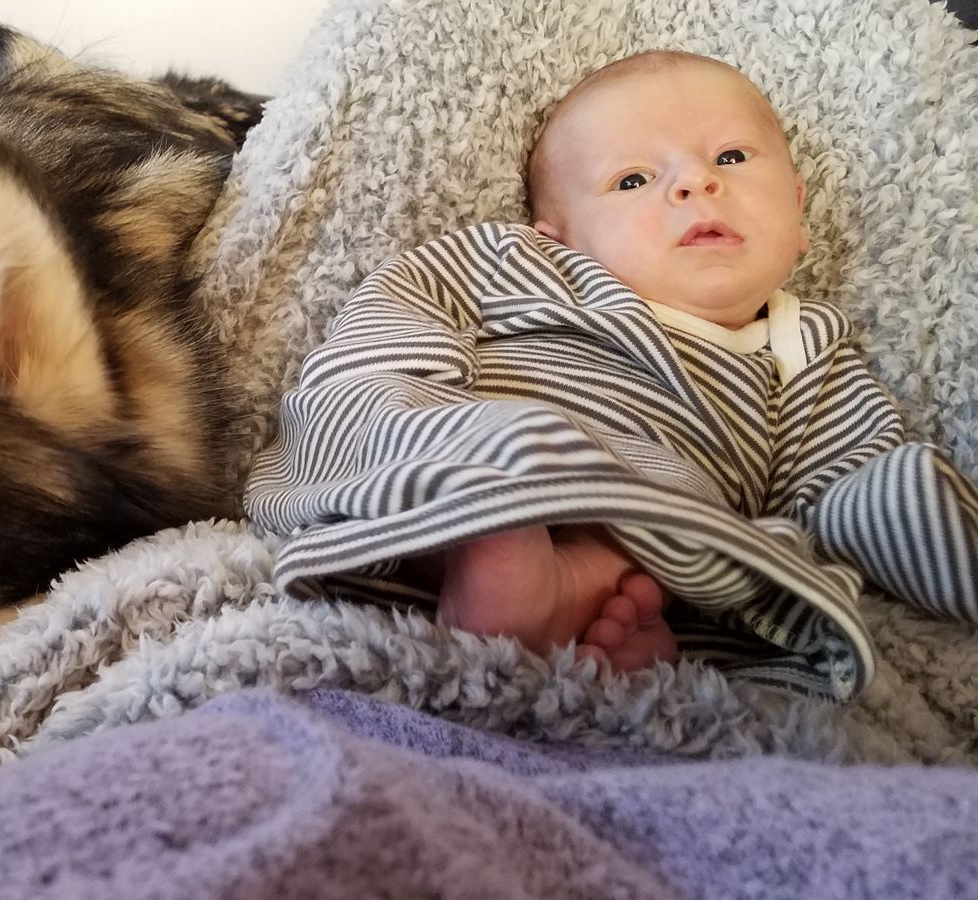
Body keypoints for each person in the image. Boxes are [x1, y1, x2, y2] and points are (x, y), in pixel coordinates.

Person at [245, 50, 978, 699]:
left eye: (731, 157)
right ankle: (486, 546)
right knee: (483, 451)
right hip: (475, 448)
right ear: (559, 237)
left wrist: (921, 511)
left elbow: (837, 485)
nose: (696, 183)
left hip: (649, 511)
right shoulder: (522, 263)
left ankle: (565, 594)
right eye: (633, 179)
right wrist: (403, 399)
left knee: (712, 540)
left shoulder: (804, 350)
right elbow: (409, 297)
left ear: (796, 208)